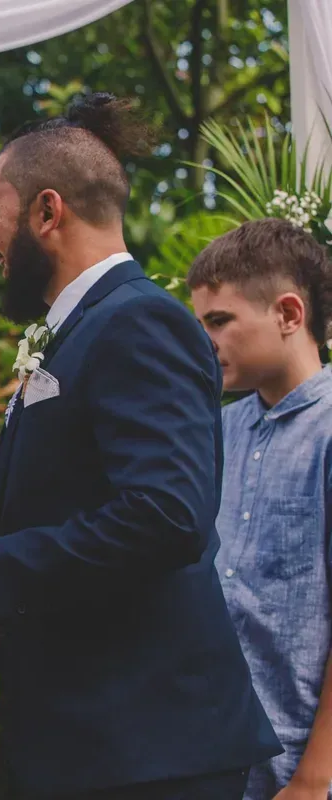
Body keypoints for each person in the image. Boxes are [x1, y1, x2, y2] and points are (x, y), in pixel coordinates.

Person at [0, 93, 282, 799]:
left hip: (151, 751)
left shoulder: (140, 320)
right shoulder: (87, 326)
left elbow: (166, 515)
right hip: (95, 747)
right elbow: (100, 520)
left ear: (47, 213)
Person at [188, 218, 332, 800]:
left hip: (300, 765)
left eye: (219, 321)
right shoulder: (217, 429)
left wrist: (313, 779)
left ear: (289, 314)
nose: (205, 342)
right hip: (215, 757)